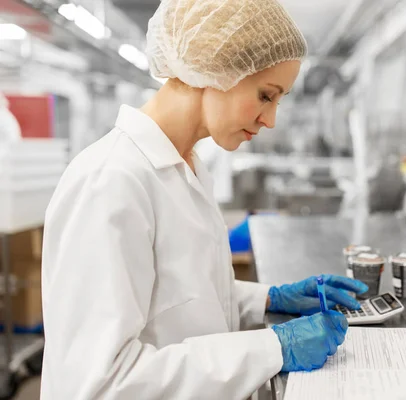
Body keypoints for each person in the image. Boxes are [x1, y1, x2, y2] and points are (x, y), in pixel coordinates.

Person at [40, 0, 369, 399]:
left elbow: (181, 297)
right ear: (213, 68)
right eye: (266, 95)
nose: (271, 120)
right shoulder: (110, 182)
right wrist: (272, 348)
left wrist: (267, 298)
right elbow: (101, 384)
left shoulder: (188, 166)